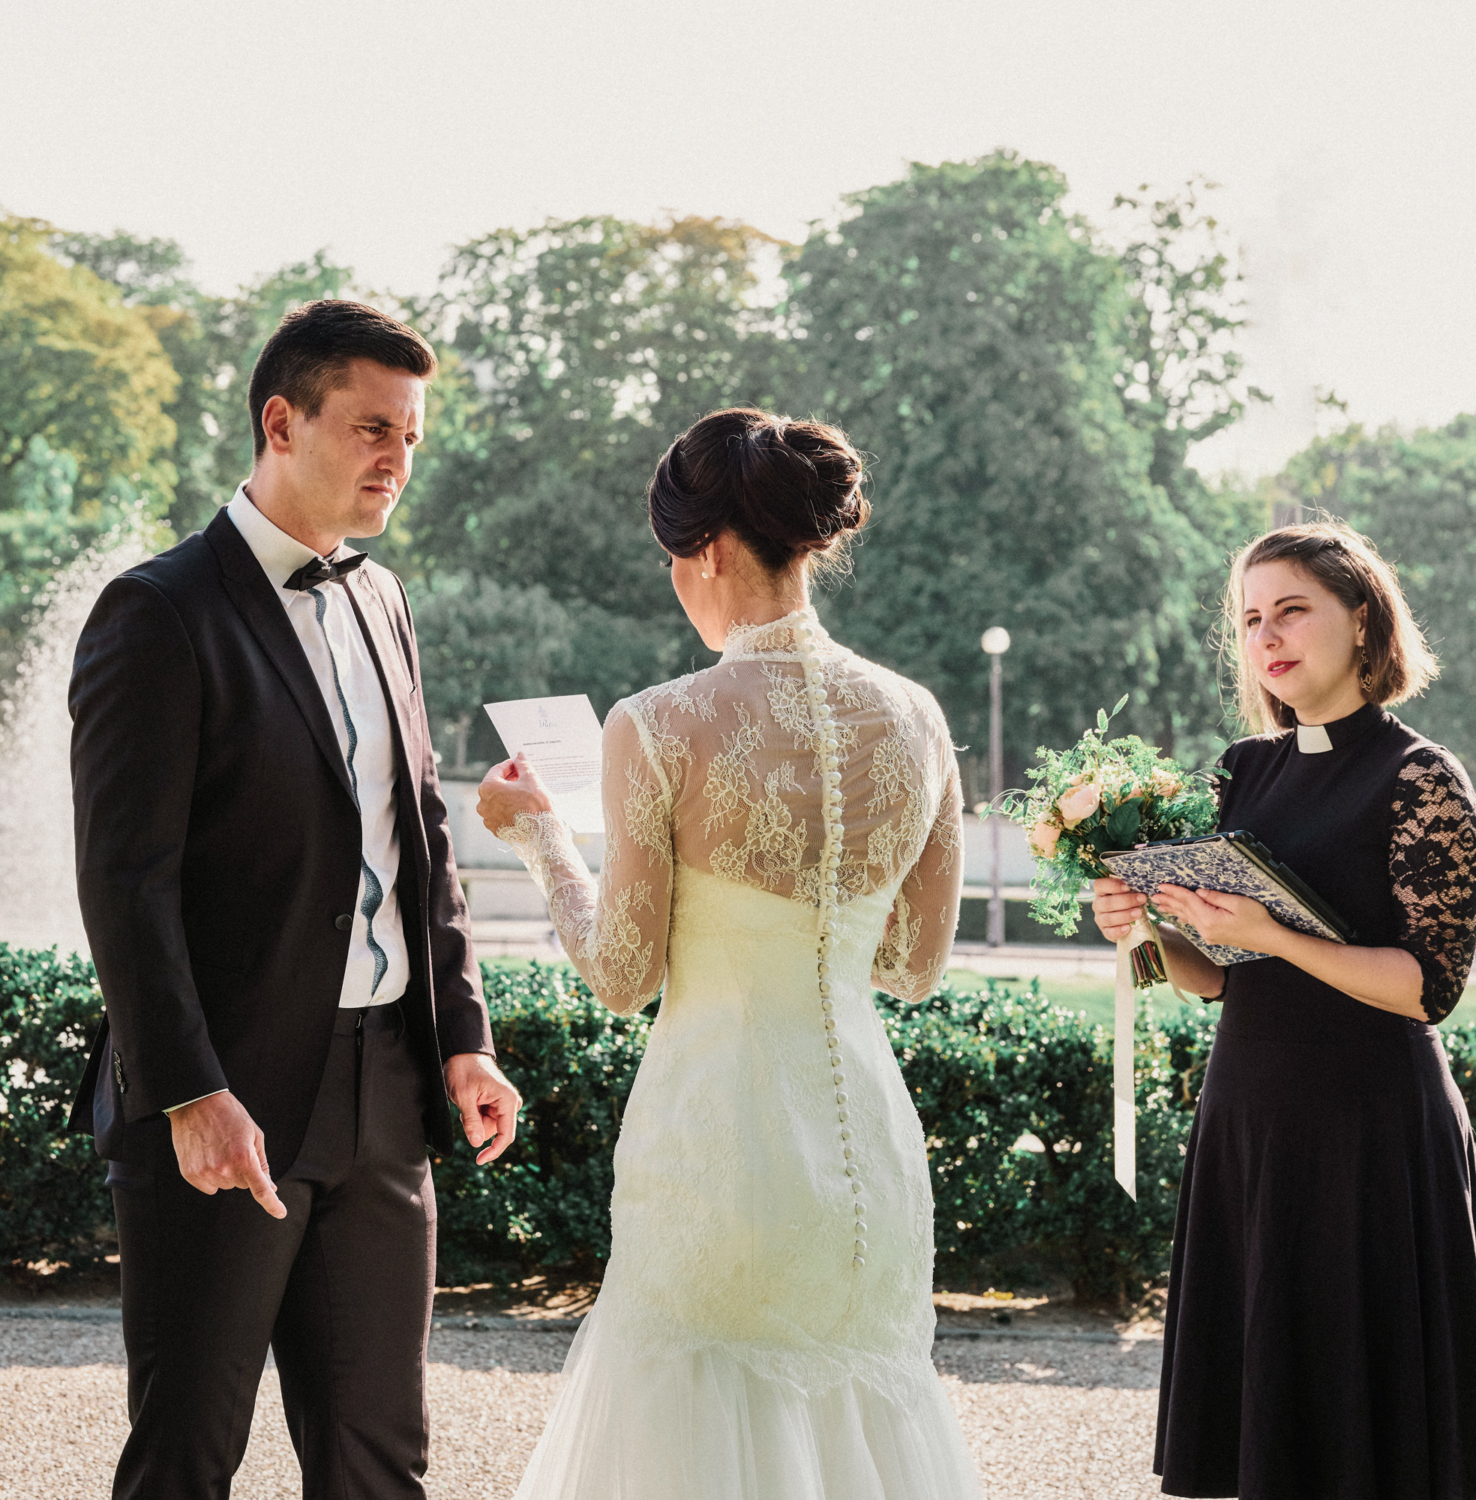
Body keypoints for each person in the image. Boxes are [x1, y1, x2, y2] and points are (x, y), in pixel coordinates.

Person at [476, 408, 982, 1499]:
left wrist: (538, 839)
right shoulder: (920, 716)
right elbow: (914, 964)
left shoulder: (659, 723)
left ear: (704, 552)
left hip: (716, 1139)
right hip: (867, 1153)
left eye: (673, 562)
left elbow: (622, 975)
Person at [67, 299, 522, 1500]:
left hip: (387, 1098)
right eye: (373, 428)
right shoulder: (157, 614)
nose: (398, 459)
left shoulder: (386, 600)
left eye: (412, 436)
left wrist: (462, 1038)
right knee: (186, 1459)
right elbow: (125, 886)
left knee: (381, 1460)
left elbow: (418, 835)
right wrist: (190, 1093)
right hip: (223, 1107)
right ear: (282, 420)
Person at [1093, 521, 1476, 1499]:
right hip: (1249, 1119)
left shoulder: (1422, 778)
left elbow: (1428, 987)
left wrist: (1279, 940)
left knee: (1368, 1442)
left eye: (1292, 610)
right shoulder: (1243, 770)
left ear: (1362, 618)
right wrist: (1147, 927)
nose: (1267, 636)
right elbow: (1217, 976)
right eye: (1253, 618)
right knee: (1260, 1432)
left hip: (1370, 1133)